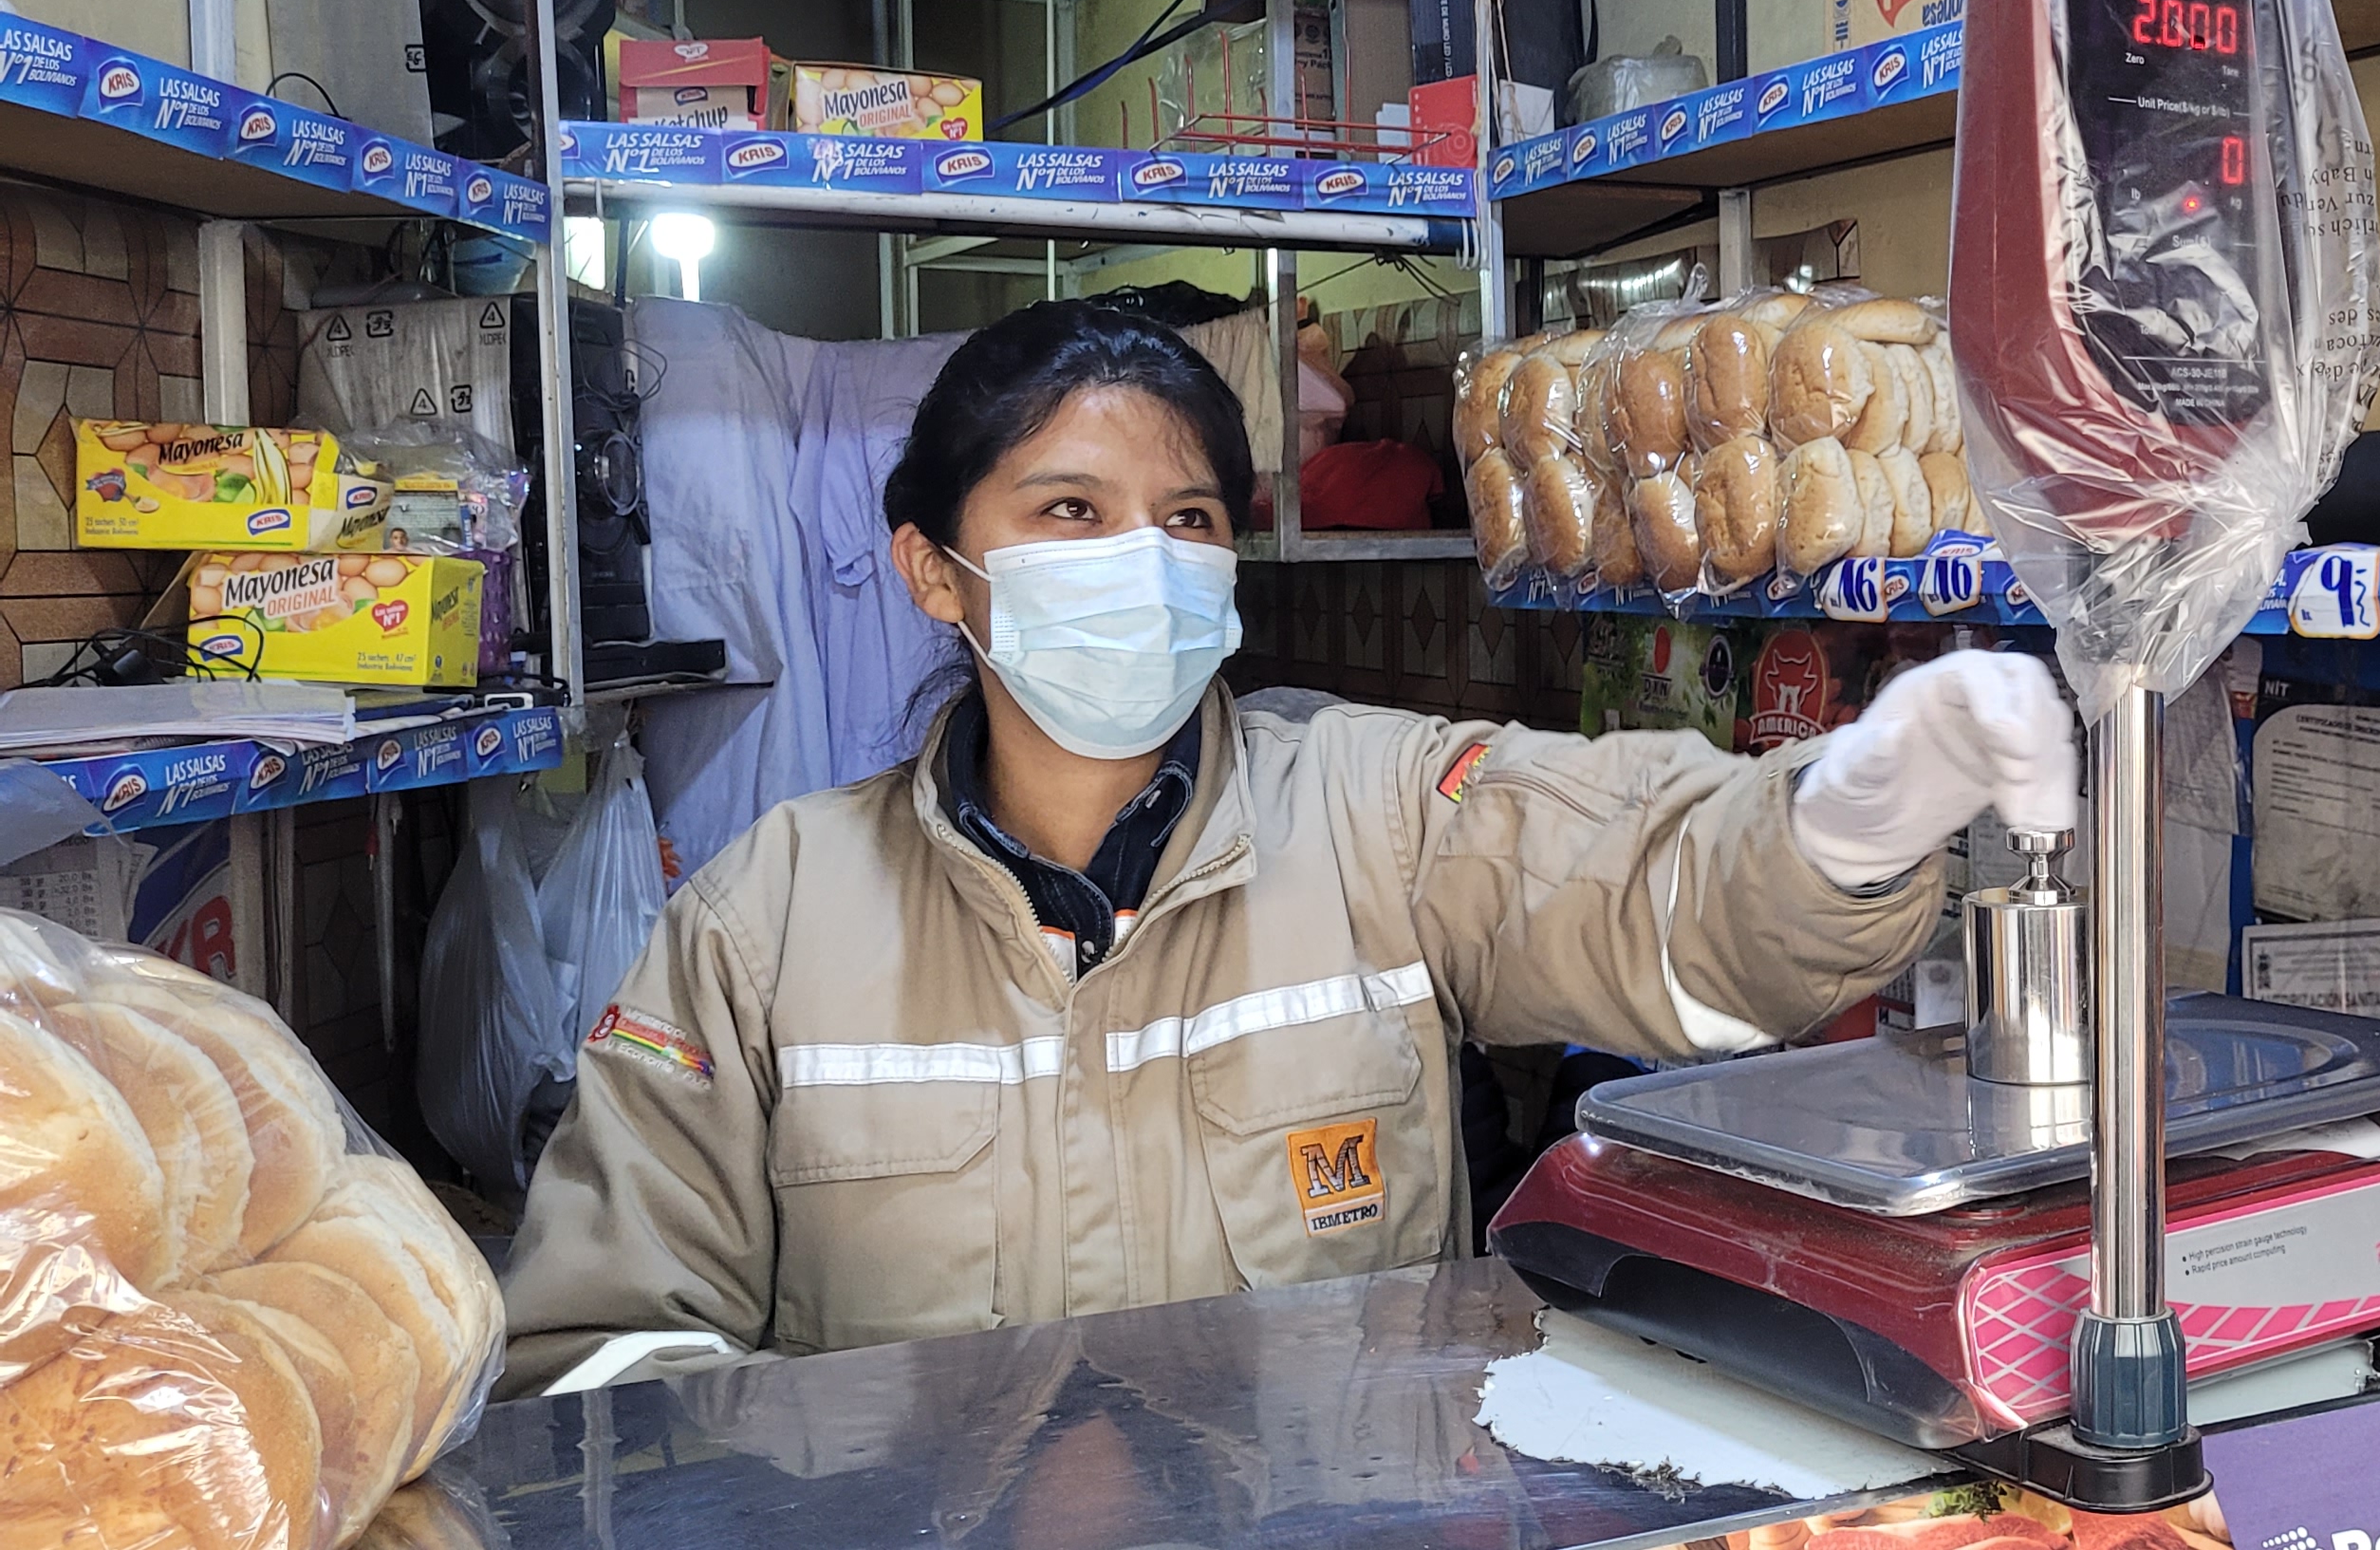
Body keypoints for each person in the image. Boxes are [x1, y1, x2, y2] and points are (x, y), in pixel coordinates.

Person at [497, 300, 2076, 1395]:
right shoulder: (768, 918)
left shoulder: (1373, 814)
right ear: (933, 570)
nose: (1140, 560)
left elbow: (1641, 886)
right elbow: (603, 1349)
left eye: (1186, 519)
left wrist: (1839, 820)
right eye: (1068, 512)